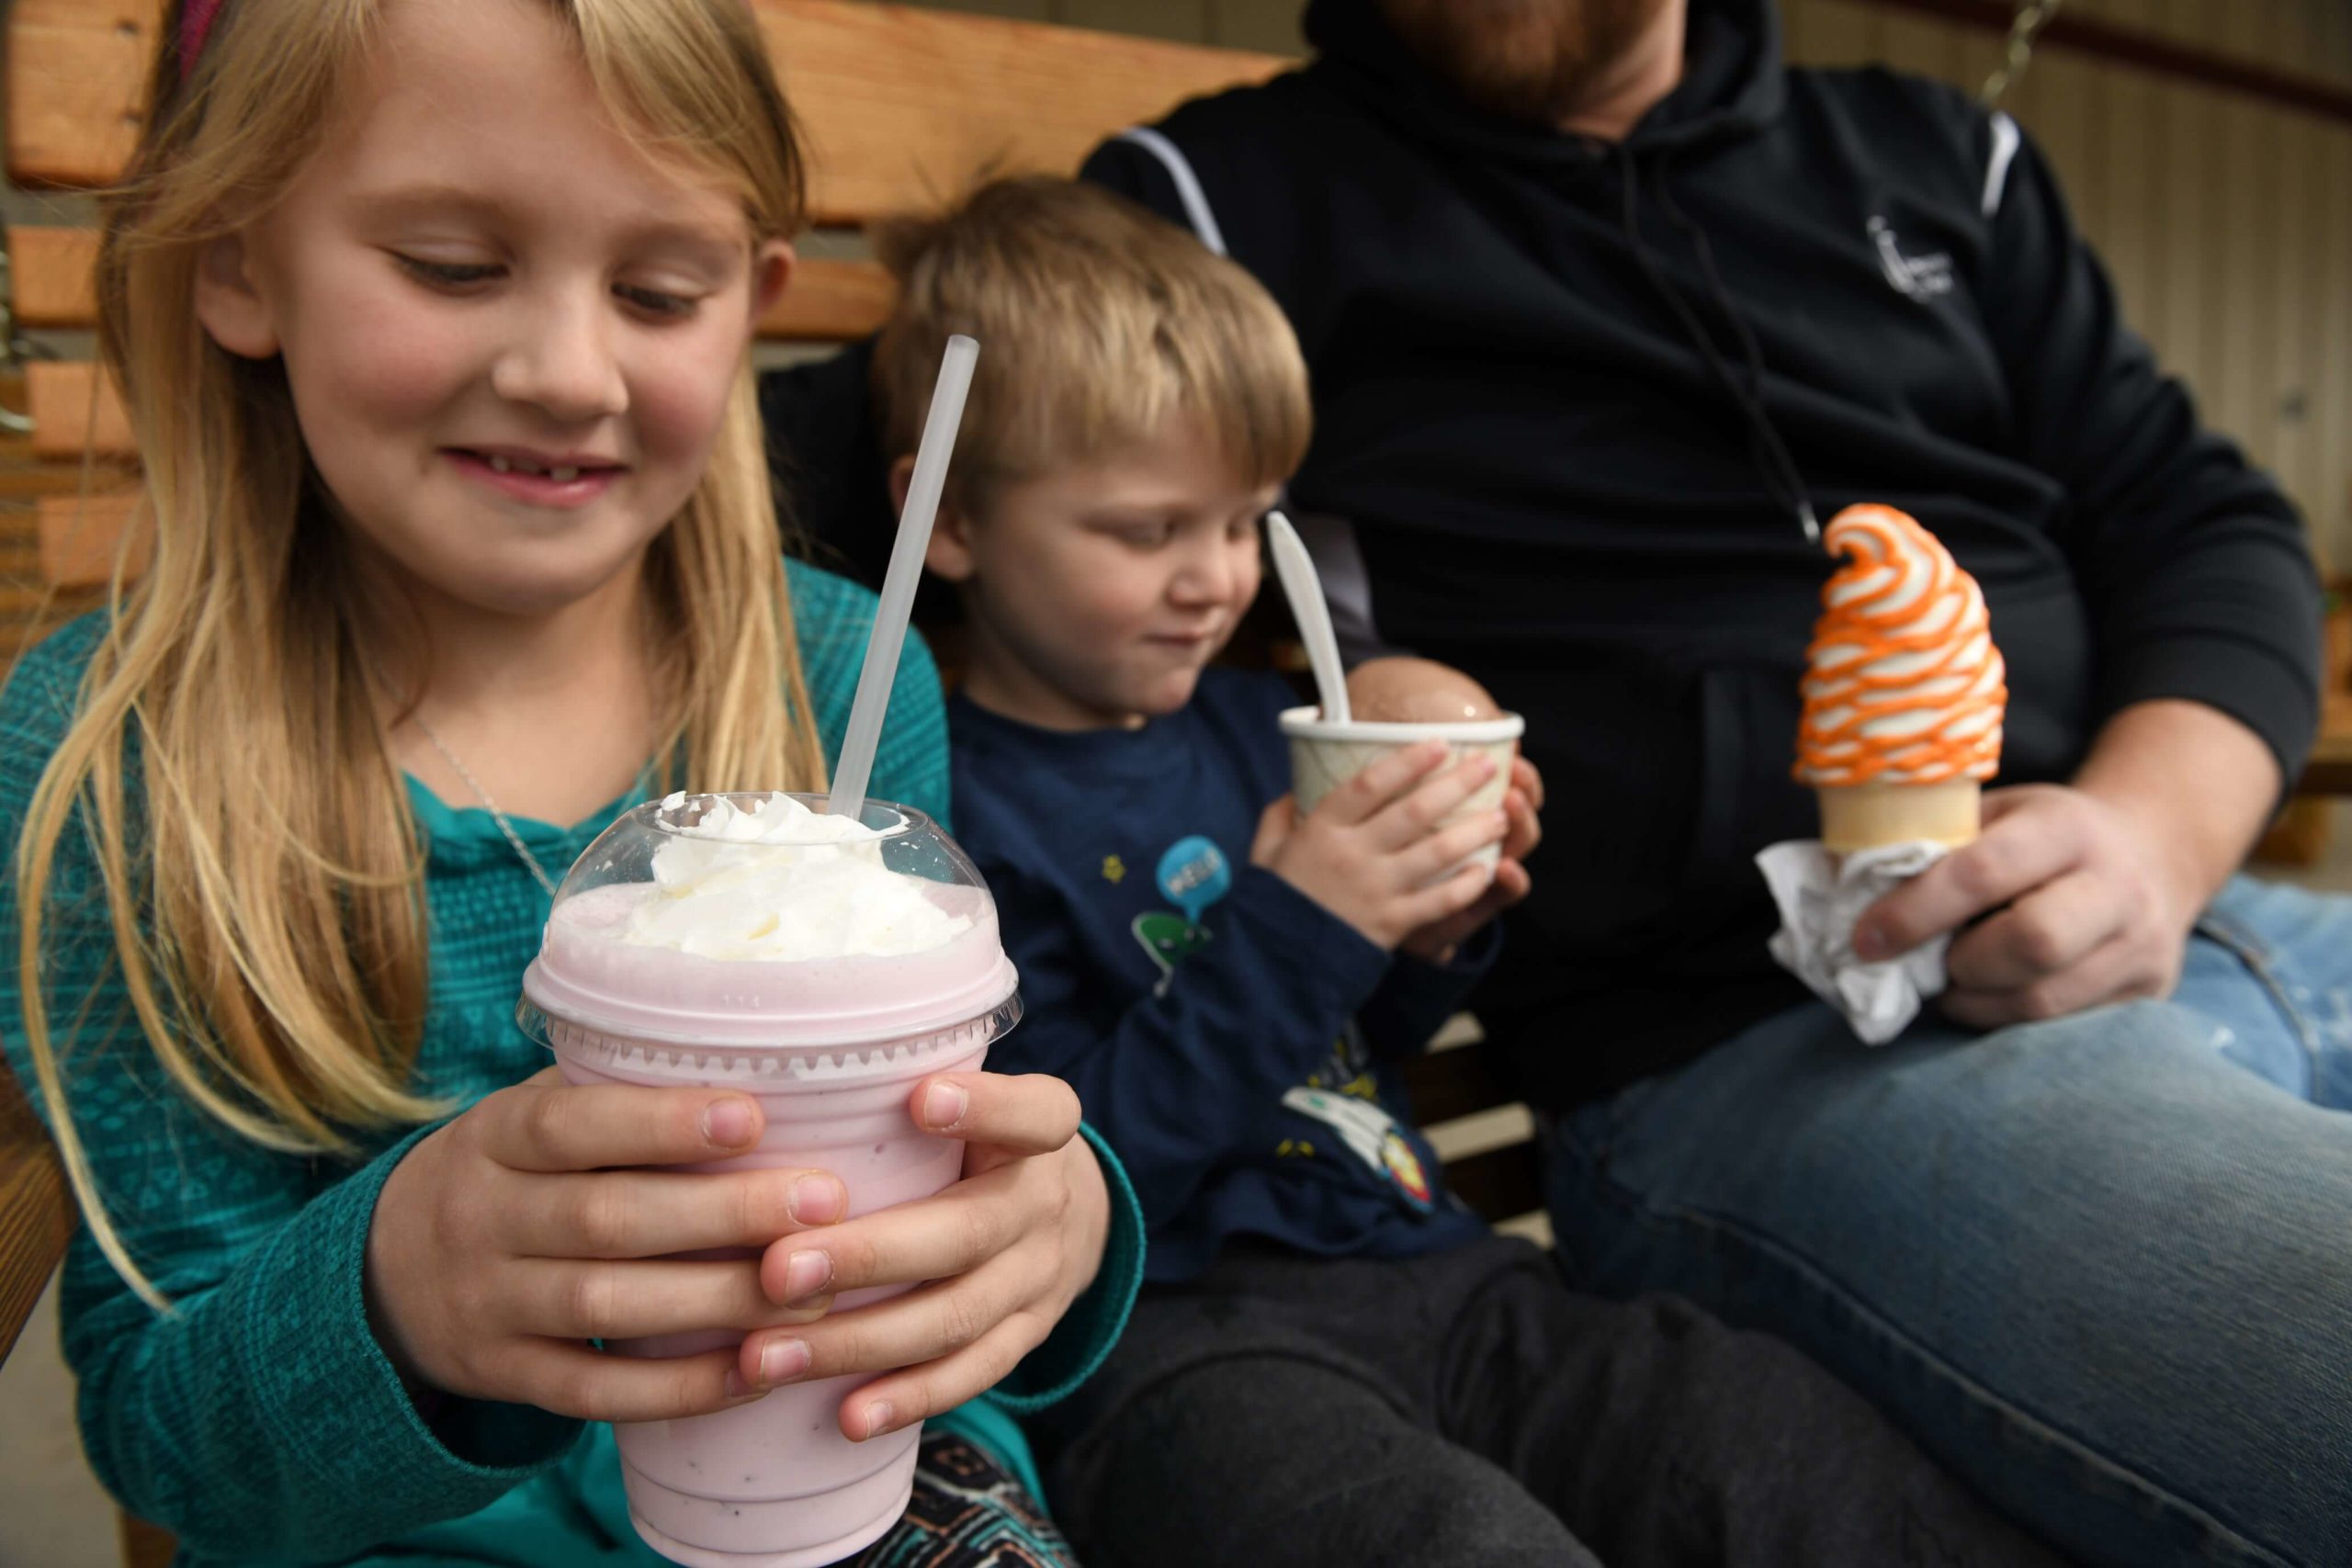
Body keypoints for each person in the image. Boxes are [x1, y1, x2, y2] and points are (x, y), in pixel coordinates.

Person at [1072, 2, 2352, 1563]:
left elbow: (2204, 519)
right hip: (1758, 1049)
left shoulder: (1954, 160)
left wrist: (2157, 832)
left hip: (2238, 915)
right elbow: (985, 488)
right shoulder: (1222, 200)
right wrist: (1340, 673)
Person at [0, 3, 1147, 1563]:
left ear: (752, 303)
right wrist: (397, 1296)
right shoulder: (114, 765)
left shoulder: (842, 679)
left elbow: (954, 1166)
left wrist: (1056, 1229)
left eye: (659, 291)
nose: (565, 370)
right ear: (237, 261)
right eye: (455, 266)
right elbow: (163, 1440)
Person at [873, 174, 2066, 1568]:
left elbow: (1350, 1052)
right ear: (948, 521)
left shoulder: (1272, 733)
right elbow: (1063, 1180)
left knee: (1779, 1453)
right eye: (1146, 531)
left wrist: (1431, 935)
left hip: (1444, 1272)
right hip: (1174, 1351)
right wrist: (1306, 924)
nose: (1215, 579)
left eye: (1246, 521)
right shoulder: (936, 816)